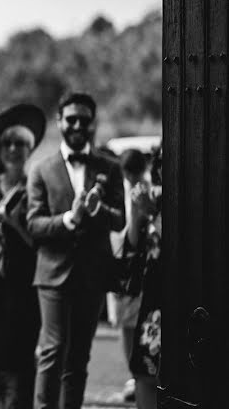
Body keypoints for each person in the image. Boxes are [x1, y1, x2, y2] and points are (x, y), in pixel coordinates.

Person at [26, 92, 125, 409]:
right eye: (71, 119)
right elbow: (35, 225)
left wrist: (99, 211)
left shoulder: (110, 168)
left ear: (93, 123)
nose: (78, 125)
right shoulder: (42, 170)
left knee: (79, 357)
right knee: (52, 351)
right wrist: (71, 218)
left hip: (92, 274)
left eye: (85, 119)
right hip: (53, 274)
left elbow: (120, 218)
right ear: (60, 122)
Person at [0, 104, 46, 409]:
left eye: (21, 144)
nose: (14, 150)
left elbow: (42, 243)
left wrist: (14, 222)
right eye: (8, 144)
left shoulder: (36, 188)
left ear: (30, 149)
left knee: (19, 360)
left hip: (23, 287)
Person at [124, 146, 162, 409]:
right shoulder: (154, 196)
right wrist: (139, 213)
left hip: (181, 293)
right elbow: (134, 243)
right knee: (143, 371)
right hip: (152, 293)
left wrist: (151, 213)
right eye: (159, 162)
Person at [112, 149, 150, 403]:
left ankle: (141, 377)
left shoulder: (149, 190)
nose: (133, 179)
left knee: (140, 322)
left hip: (144, 265)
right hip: (121, 264)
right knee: (126, 323)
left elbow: (137, 236)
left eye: (136, 174)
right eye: (129, 174)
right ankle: (132, 376)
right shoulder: (117, 191)